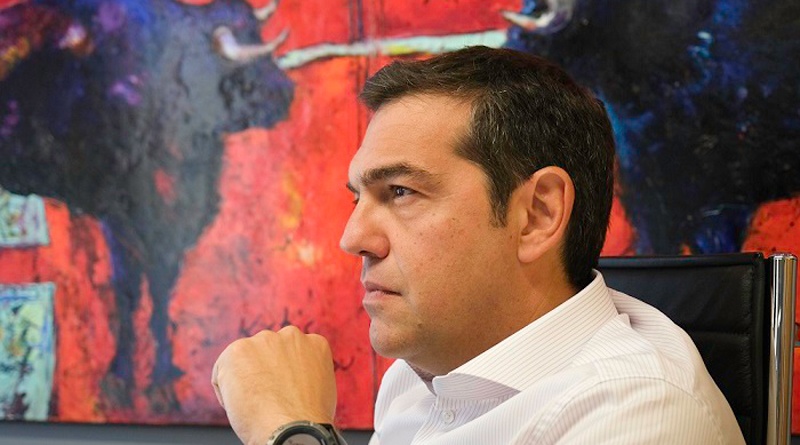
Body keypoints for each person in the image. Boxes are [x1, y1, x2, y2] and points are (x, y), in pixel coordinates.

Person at [211, 46, 745, 445]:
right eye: (358, 198)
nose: (354, 239)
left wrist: (294, 431)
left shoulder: (643, 412)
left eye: (400, 191)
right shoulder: (415, 381)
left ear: (537, 215)